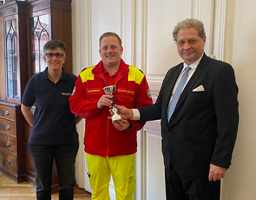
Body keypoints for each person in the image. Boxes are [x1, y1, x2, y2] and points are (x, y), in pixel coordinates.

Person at [113, 18, 239, 200]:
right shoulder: (173, 73)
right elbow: (159, 108)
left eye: (192, 40)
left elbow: (228, 122)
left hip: (201, 165)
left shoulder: (220, 71)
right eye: (181, 42)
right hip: (171, 161)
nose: (186, 46)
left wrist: (220, 161)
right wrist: (131, 113)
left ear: (204, 40)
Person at [69, 32, 152, 200]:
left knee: (124, 194)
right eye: (105, 47)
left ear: (121, 49)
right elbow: (74, 105)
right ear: (99, 51)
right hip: (95, 148)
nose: (109, 51)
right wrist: (96, 105)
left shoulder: (137, 76)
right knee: (98, 193)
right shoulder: (85, 76)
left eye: (113, 46)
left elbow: (146, 110)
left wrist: (129, 125)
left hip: (124, 147)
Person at [21, 40, 82, 200]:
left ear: (64, 58)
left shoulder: (74, 81)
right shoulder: (35, 81)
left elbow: (82, 109)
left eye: (58, 55)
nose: (54, 58)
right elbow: (25, 107)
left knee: (67, 185)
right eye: (50, 55)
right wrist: (37, 126)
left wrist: (71, 123)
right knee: (42, 187)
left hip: (67, 142)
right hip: (40, 142)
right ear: (44, 58)